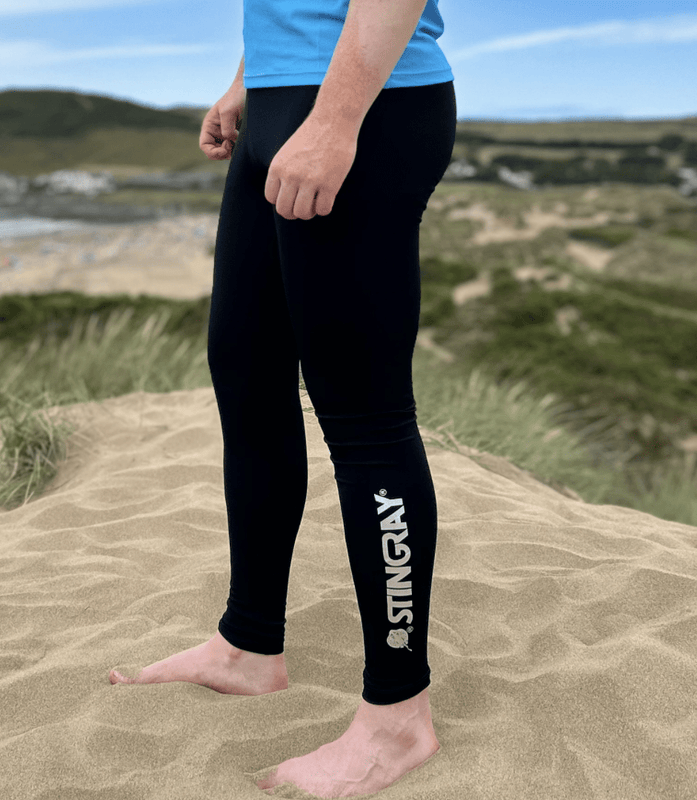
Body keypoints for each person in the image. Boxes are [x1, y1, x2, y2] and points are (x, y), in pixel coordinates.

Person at [110, 1, 457, 795]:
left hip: (363, 104)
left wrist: (335, 121)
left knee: (365, 417)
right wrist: (246, 79)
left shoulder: (348, 112)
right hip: (283, 98)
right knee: (248, 373)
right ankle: (248, 645)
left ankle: (399, 715)